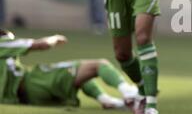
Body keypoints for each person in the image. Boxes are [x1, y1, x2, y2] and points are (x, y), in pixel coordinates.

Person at [0, 29, 138, 109]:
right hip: (34, 81)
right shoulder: (3, 44)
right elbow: (40, 45)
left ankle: (106, 99)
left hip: (25, 99)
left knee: (74, 76)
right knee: (99, 65)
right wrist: (54, 38)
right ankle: (128, 91)